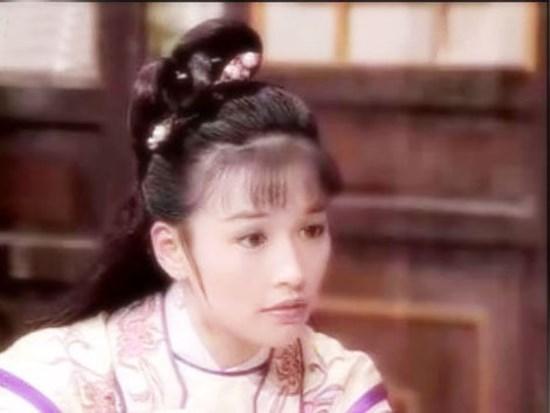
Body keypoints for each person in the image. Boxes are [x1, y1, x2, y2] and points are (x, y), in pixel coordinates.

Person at [0, 18, 392, 413]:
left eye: (311, 230)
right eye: (253, 238)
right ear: (171, 249)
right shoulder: (58, 381)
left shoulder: (339, 387)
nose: (293, 271)